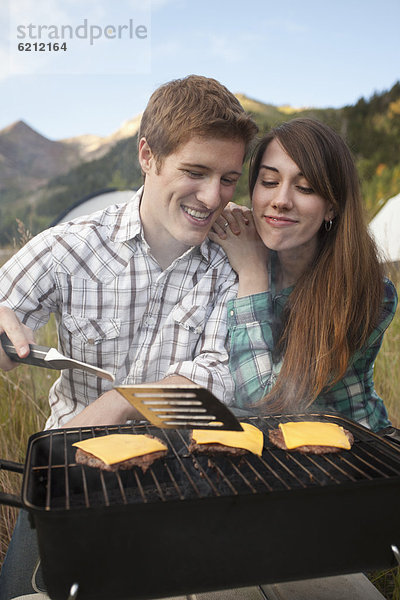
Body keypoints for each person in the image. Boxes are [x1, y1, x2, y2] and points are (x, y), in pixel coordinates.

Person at [0, 74, 258, 599]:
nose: (212, 198)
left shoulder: (231, 266)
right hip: (67, 473)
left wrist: (122, 401)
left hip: (179, 482)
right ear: (147, 154)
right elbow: (5, 307)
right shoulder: (69, 248)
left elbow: (222, 382)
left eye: (229, 179)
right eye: (195, 171)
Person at [210, 117, 397, 432]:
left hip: (353, 450)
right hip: (275, 455)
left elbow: (267, 401)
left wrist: (252, 274)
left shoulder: (370, 293)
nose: (281, 201)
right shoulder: (233, 256)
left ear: (332, 207)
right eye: (269, 182)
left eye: (305, 187)